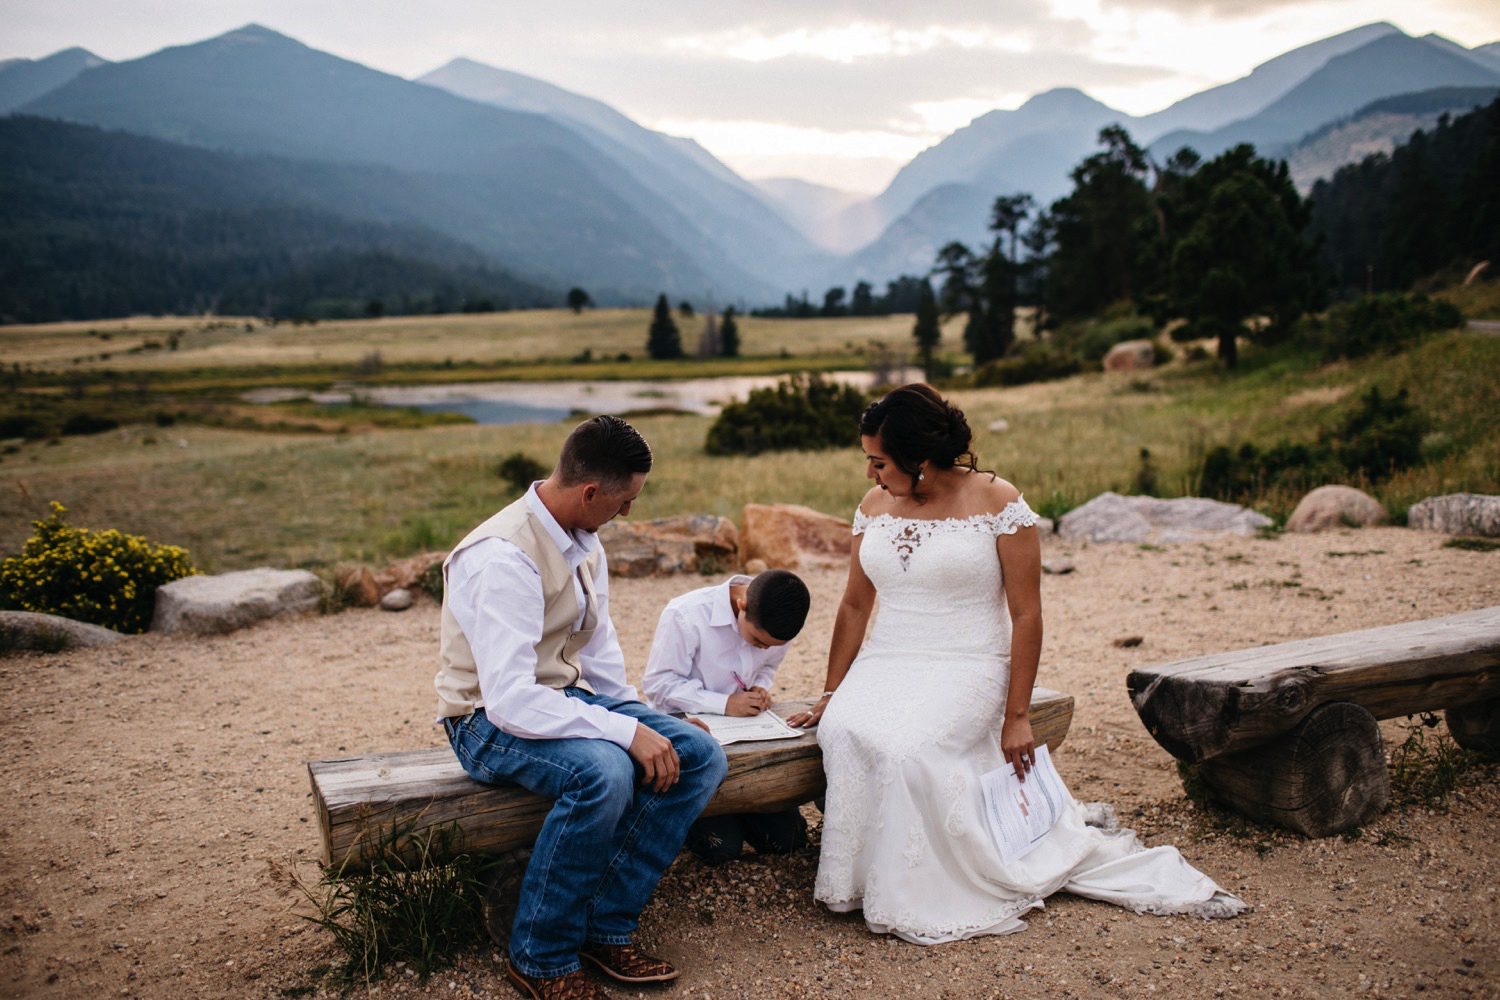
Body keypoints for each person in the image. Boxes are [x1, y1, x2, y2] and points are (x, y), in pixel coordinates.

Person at [785, 384, 1244, 945]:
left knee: (909, 747)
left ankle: (928, 885)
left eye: (878, 462)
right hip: (888, 660)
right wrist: (832, 693)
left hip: (969, 662)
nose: (870, 475)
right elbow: (856, 605)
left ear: (919, 460)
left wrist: (1016, 714)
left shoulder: (998, 503)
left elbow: (1027, 614)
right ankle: (860, 878)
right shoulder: (873, 507)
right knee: (844, 729)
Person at [434, 415, 729, 999]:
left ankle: (602, 924)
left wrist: (648, 722)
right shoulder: (502, 556)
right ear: (590, 491)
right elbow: (511, 700)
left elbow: (600, 655)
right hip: (484, 720)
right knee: (604, 772)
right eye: (624, 502)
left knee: (698, 754)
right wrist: (624, 736)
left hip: (559, 700)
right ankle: (540, 957)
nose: (627, 515)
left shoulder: (585, 540)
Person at [643, 569, 812, 864]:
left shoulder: (777, 615)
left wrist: (761, 686)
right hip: (690, 735)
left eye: (771, 645)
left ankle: (742, 808)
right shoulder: (685, 615)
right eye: (758, 641)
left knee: (788, 839)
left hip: (746, 735)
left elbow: (768, 666)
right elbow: (659, 686)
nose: (763, 649)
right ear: (742, 604)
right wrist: (725, 704)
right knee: (721, 848)